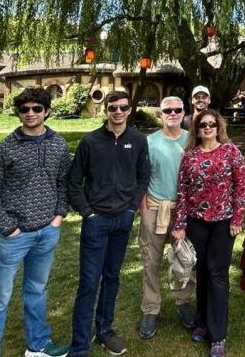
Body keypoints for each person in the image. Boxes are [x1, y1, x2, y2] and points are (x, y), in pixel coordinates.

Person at [0, 87, 71, 357]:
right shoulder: (5, 149)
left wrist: (59, 215)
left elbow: (64, 183)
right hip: (12, 238)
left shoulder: (58, 145)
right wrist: (8, 228)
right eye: (24, 109)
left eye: (36, 109)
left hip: (47, 233)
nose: (30, 113)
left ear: (46, 112)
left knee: (37, 290)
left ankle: (38, 345)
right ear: (18, 113)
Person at [66, 90, 149, 357]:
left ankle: (105, 330)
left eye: (123, 107)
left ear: (129, 110)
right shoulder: (90, 141)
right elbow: (74, 181)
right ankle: (80, 345)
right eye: (113, 107)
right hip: (96, 221)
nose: (118, 112)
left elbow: (143, 176)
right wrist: (87, 212)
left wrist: (131, 208)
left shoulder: (138, 140)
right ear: (106, 110)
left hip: (122, 220)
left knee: (112, 277)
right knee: (89, 282)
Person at [171, 110, 245, 357]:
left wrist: (237, 218)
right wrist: (180, 224)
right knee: (202, 271)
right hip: (196, 222)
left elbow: (241, 187)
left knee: (217, 273)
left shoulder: (231, 152)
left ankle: (218, 335)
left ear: (218, 127)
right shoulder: (190, 155)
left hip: (223, 223)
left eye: (212, 124)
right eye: (203, 124)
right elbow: (182, 191)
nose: (208, 127)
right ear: (197, 128)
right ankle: (202, 322)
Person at [138, 96, 197, 340]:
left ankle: (184, 302)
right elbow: (140, 175)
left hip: (185, 209)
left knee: (185, 258)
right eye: (167, 110)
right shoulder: (149, 142)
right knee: (150, 261)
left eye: (177, 109)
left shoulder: (192, 139)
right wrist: (143, 205)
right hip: (155, 207)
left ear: (184, 113)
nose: (172, 113)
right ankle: (151, 309)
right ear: (160, 114)